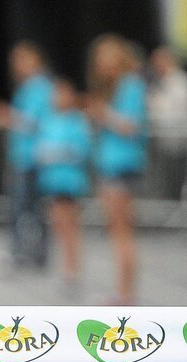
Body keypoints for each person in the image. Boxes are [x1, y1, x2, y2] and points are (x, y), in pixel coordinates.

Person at [86, 34, 147, 305]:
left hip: (122, 166)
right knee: (117, 232)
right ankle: (123, 291)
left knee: (122, 233)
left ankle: (125, 294)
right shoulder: (117, 86)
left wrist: (103, 114)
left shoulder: (131, 84)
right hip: (111, 166)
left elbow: (130, 126)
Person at [0, 42, 54, 271]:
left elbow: (36, 122)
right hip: (24, 156)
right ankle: (34, 255)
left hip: (32, 158)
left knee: (26, 210)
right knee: (29, 210)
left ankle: (25, 254)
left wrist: (8, 117)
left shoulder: (40, 87)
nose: (16, 65)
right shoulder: (28, 87)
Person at [35, 78, 92, 296]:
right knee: (59, 227)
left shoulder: (77, 121)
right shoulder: (50, 120)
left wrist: (58, 153)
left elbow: (81, 150)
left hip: (70, 181)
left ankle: (73, 270)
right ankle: (65, 269)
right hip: (53, 180)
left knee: (71, 227)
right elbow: (40, 147)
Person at [147, 46, 187, 201]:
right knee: (168, 188)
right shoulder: (158, 84)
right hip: (165, 146)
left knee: (178, 185)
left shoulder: (180, 83)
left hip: (180, 144)